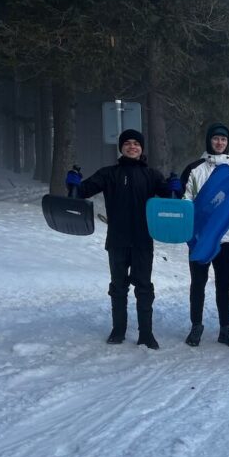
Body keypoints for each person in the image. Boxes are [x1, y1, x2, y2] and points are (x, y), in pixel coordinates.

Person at [66, 129, 177, 349]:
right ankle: (118, 330)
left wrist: (175, 187)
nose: (132, 146)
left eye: (136, 143)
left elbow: (171, 199)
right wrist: (73, 183)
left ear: (142, 148)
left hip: (143, 240)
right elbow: (82, 193)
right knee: (118, 286)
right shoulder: (109, 173)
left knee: (144, 286)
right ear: (121, 147)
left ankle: (146, 333)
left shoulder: (151, 175)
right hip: (117, 240)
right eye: (127, 143)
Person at [180, 123, 229, 349]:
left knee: (224, 284)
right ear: (209, 140)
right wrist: (188, 232)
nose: (219, 143)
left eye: (223, 139)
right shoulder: (195, 169)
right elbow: (186, 202)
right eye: (216, 139)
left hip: (226, 238)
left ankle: (225, 328)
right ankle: (196, 325)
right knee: (198, 283)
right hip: (201, 237)